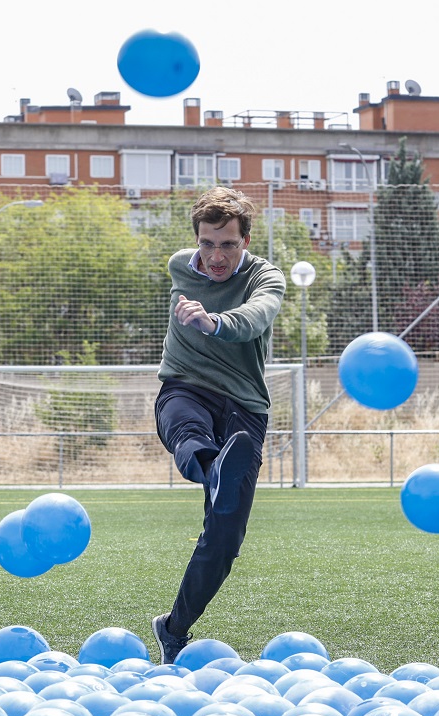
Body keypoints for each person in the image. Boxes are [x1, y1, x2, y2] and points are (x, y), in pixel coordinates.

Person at [150, 187, 285, 664]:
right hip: (185, 388)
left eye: (228, 244)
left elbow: (256, 316)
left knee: (225, 539)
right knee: (187, 430)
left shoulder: (266, 277)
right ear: (197, 242)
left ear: (245, 241)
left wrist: (213, 323)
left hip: (245, 408)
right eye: (207, 244)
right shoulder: (180, 267)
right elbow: (189, 263)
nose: (216, 256)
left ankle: (173, 627)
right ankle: (211, 466)